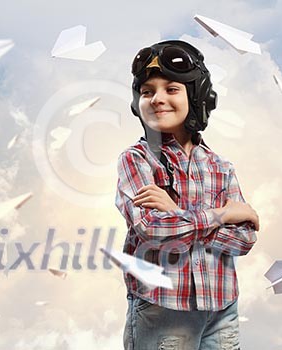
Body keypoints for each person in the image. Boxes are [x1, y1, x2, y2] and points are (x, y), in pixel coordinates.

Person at [115, 40, 260, 350]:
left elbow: (245, 239)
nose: (157, 99)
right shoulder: (137, 160)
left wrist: (178, 213)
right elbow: (154, 230)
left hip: (222, 307)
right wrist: (222, 215)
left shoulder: (221, 166)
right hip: (164, 310)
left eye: (171, 89)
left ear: (195, 96)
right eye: (147, 91)